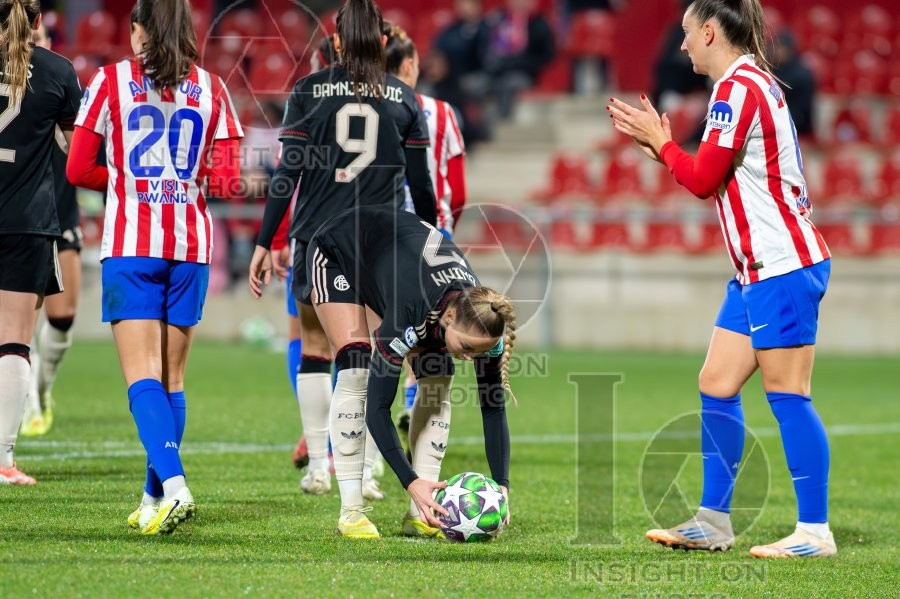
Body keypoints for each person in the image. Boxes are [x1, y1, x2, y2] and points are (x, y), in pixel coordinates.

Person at [608, 0, 834, 558]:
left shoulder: (736, 88)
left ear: (709, 32)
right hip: (757, 271)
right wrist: (664, 151)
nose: (681, 45)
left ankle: (814, 532)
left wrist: (663, 146)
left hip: (781, 265)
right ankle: (713, 522)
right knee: (716, 383)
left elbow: (705, 180)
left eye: (686, 34)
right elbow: (710, 174)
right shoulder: (749, 83)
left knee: (788, 394)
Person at [248, 0, 437, 502]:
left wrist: (265, 240)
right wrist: (433, 243)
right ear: (381, 43)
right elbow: (421, 186)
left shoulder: (308, 91)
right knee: (380, 353)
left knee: (316, 350)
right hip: (382, 244)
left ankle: (318, 466)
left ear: (333, 42)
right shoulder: (403, 97)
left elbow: (286, 173)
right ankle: (371, 471)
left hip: (317, 238)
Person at [67, 0, 243, 534]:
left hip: (131, 243)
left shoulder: (110, 80)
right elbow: (229, 180)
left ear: (139, 27)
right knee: (173, 379)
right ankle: (153, 499)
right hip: (190, 246)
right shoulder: (213, 88)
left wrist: (126, 181)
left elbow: (78, 167)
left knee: (142, 376)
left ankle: (176, 486)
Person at [287, 205, 514, 539]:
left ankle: (420, 515)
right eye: (467, 348)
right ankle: (351, 512)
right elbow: (378, 409)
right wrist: (411, 481)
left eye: (478, 351)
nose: (471, 358)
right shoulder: (412, 309)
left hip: (391, 259)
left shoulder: (483, 318)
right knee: (356, 369)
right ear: (448, 319)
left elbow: (493, 408)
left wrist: (502, 485)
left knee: (438, 379)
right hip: (338, 250)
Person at [382, 21, 468, 487]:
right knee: (437, 352)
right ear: (411, 64)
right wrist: (445, 224)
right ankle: (415, 398)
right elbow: (456, 185)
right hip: (438, 244)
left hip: (384, 244)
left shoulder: (374, 107)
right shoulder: (441, 112)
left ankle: (351, 461)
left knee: (372, 350)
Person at [0, 0, 81, 486]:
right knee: (13, 342)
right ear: (37, 22)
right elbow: (79, 153)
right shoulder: (56, 71)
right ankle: (3, 458)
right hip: (26, 221)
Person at [18, 20, 83, 437]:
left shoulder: (59, 78)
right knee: (18, 327)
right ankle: (19, 406)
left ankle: (41, 388)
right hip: (25, 216)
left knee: (63, 316)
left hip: (61, 211)